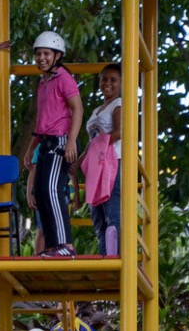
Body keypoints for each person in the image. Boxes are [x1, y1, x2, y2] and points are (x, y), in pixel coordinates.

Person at [22, 31, 83, 257]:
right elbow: (42, 120)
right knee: (40, 192)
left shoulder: (64, 78)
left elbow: (77, 108)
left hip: (60, 141)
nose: (41, 58)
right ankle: (51, 245)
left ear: (57, 55)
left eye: (46, 53)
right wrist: (31, 147)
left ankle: (65, 244)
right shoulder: (43, 82)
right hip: (45, 141)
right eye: (38, 54)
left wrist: (72, 141)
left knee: (52, 190)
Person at [81, 63, 122, 255]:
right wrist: (80, 159)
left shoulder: (118, 104)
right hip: (96, 166)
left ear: (121, 84)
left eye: (113, 80)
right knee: (97, 215)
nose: (107, 83)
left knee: (112, 212)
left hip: (112, 163)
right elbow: (92, 141)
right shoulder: (97, 109)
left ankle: (117, 259)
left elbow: (120, 131)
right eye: (104, 79)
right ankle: (105, 255)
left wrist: (100, 144)